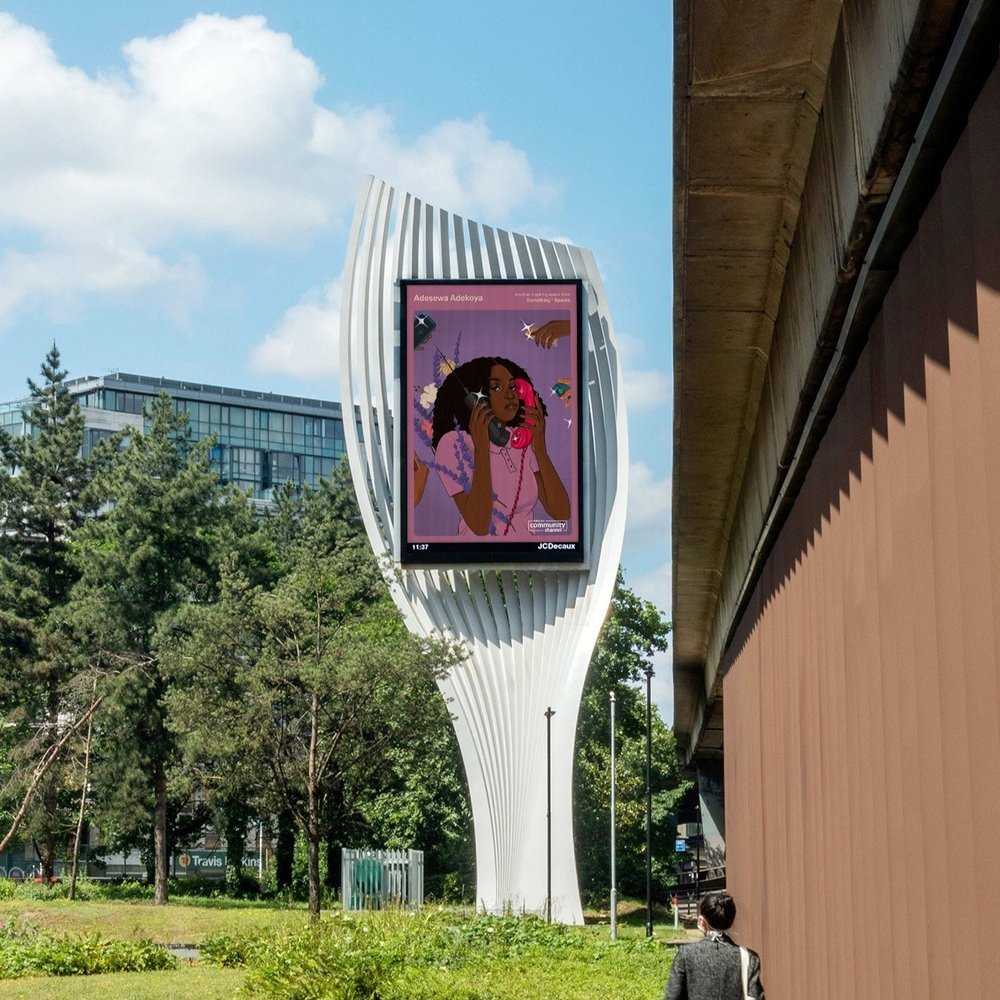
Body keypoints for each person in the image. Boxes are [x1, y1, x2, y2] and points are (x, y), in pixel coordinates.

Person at [430, 356, 569, 538]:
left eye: (512, 387)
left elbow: (561, 513)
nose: (510, 395)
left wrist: (540, 450)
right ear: (475, 400)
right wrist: (482, 450)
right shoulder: (453, 444)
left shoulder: (519, 438)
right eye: (496, 388)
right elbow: (479, 526)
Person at [663, 892, 765, 1000]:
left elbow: (672, 996)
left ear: (702, 922)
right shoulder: (749, 958)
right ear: (731, 922)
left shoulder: (686, 954)